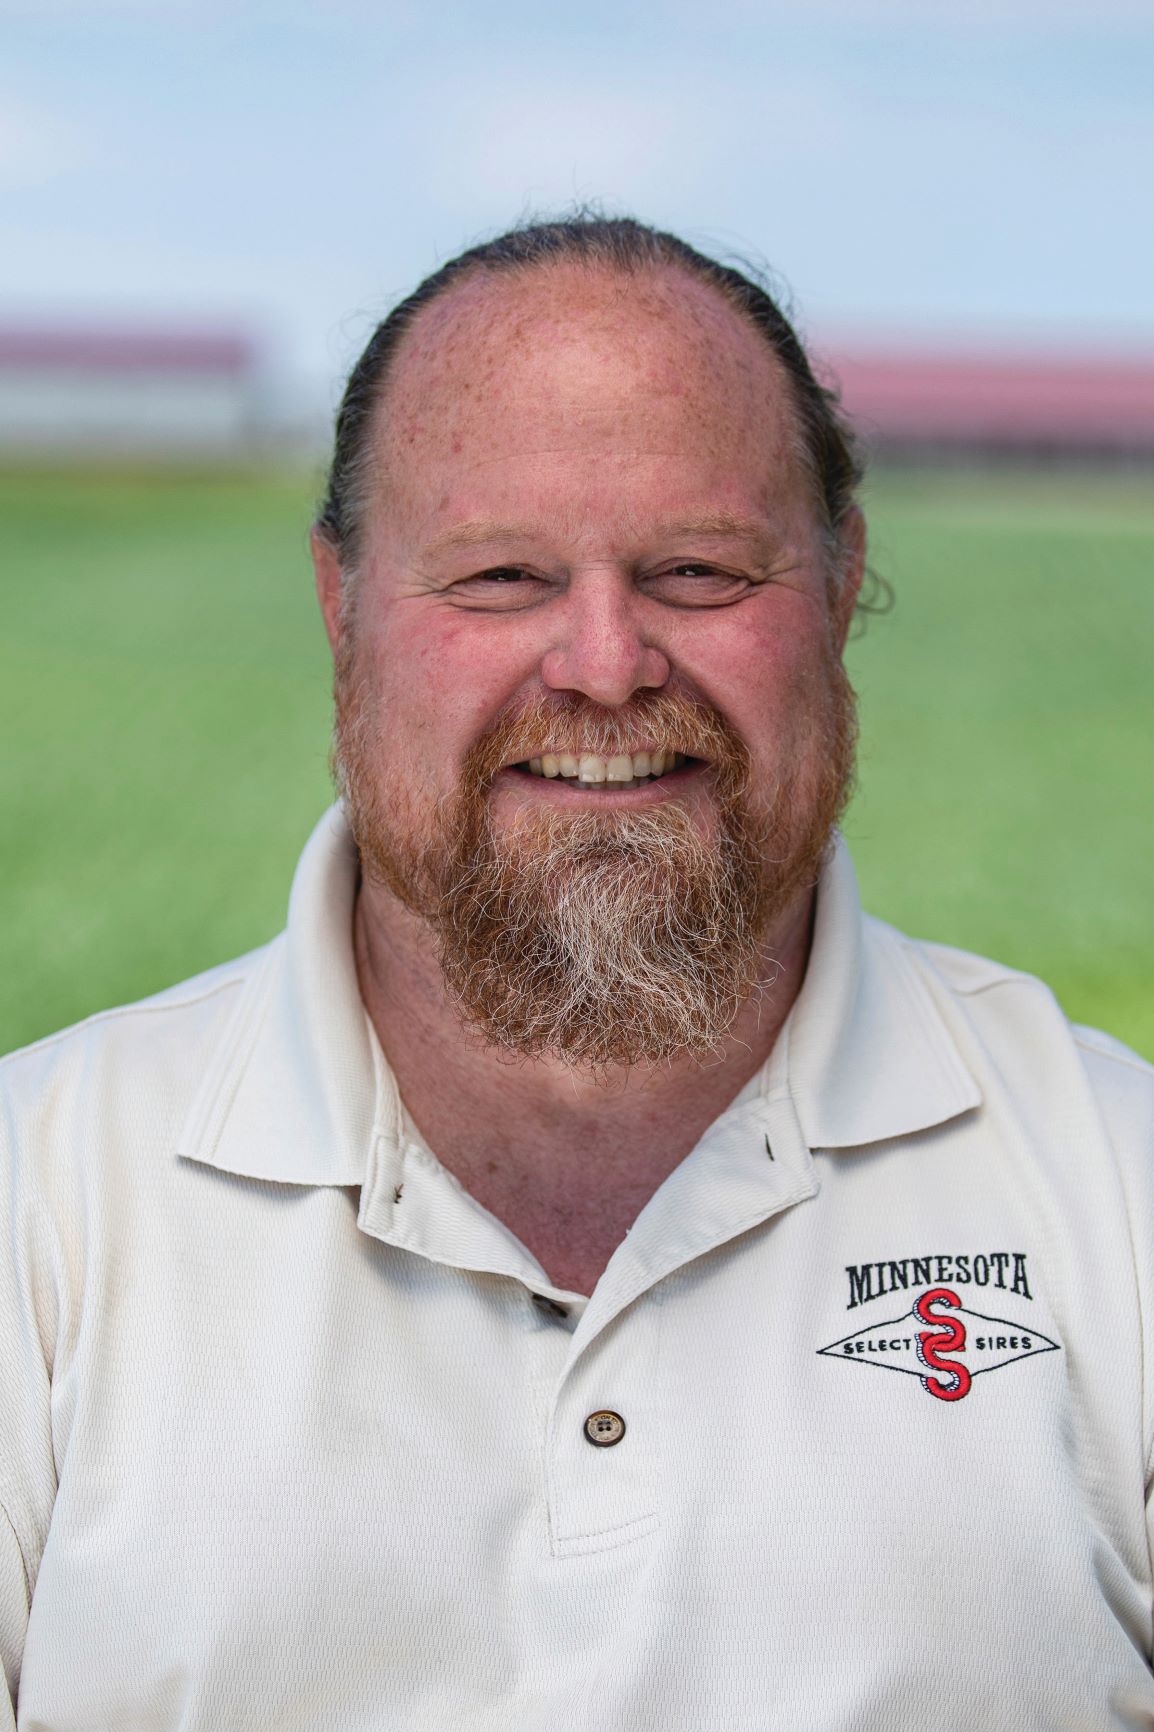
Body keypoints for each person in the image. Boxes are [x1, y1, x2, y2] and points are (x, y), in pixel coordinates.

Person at [2, 215, 1153, 1730]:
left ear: (839, 583)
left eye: (696, 569)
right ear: (342, 609)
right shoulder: (41, 1193)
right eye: (497, 576)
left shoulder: (1116, 1179)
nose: (605, 664)